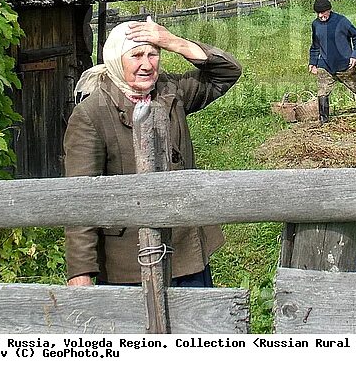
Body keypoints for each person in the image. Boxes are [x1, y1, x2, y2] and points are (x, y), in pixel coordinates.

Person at [64, 18, 242, 287]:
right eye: (136, 55)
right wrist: (81, 271)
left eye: (153, 54)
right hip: (128, 260)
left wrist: (173, 42)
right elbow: (81, 196)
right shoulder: (92, 114)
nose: (147, 64)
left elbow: (227, 72)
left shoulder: (169, 91)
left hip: (185, 250)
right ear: (116, 60)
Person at [308, 0, 356, 124]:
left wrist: (355, 56)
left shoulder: (341, 21)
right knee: (322, 92)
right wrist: (312, 63)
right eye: (318, 13)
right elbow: (315, 45)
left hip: (344, 64)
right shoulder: (315, 24)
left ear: (329, 9)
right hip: (325, 64)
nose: (320, 15)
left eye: (323, 12)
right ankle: (324, 120)